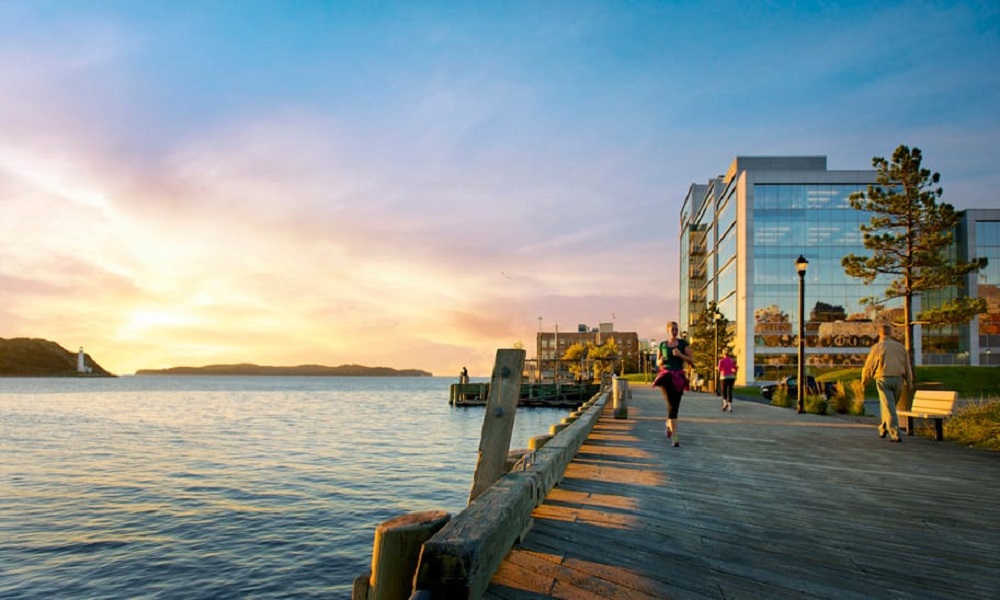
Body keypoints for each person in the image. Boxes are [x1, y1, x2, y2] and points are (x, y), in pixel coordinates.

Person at [861, 324, 913, 443]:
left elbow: (870, 365)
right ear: (891, 334)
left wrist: (864, 379)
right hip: (898, 379)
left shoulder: (878, 347)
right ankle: (884, 428)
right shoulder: (901, 347)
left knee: (889, 406)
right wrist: (909, 381)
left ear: (879, 334)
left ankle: (894, 433)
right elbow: (907, 366)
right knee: (890, 406)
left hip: (883, 379)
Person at [652, 321, 694, 447]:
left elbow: (691, 360)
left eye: (676, 329)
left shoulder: (683, 344)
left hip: (678, 377)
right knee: (671, 406)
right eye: (673, 329)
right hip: (666, 377)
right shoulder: (663, 345)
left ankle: (669, 425)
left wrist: (680, 355)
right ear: (668, 331)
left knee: (675, 406)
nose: (675, 332)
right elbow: (658, 363)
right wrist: (661, 360)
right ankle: (675, 438)